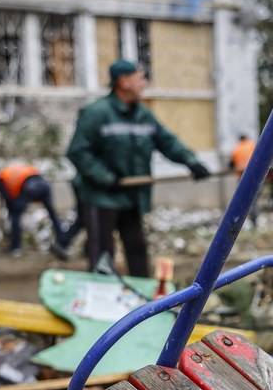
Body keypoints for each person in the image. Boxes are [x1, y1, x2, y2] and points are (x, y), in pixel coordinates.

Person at [66, 59, 211, 277]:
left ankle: (145, 305)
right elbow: (78, 152)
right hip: (101, 196)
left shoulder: (143, 114)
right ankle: (100, 299)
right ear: (124, 82)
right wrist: (106, 178)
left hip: (132, 196)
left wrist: (191, 161)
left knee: (137, 250)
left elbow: (167, 141)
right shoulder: (97, 113)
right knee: (102, 255)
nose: (144, 84)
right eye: (140, 78)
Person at [0, 163, 65, 257]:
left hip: (30, 186)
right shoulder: (16, 170)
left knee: (15, 215)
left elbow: (8, 199)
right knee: (52, 214)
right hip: (44, 184)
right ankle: (63, 242)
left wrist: (12, 208)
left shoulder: (0, 178)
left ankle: (15, 247)